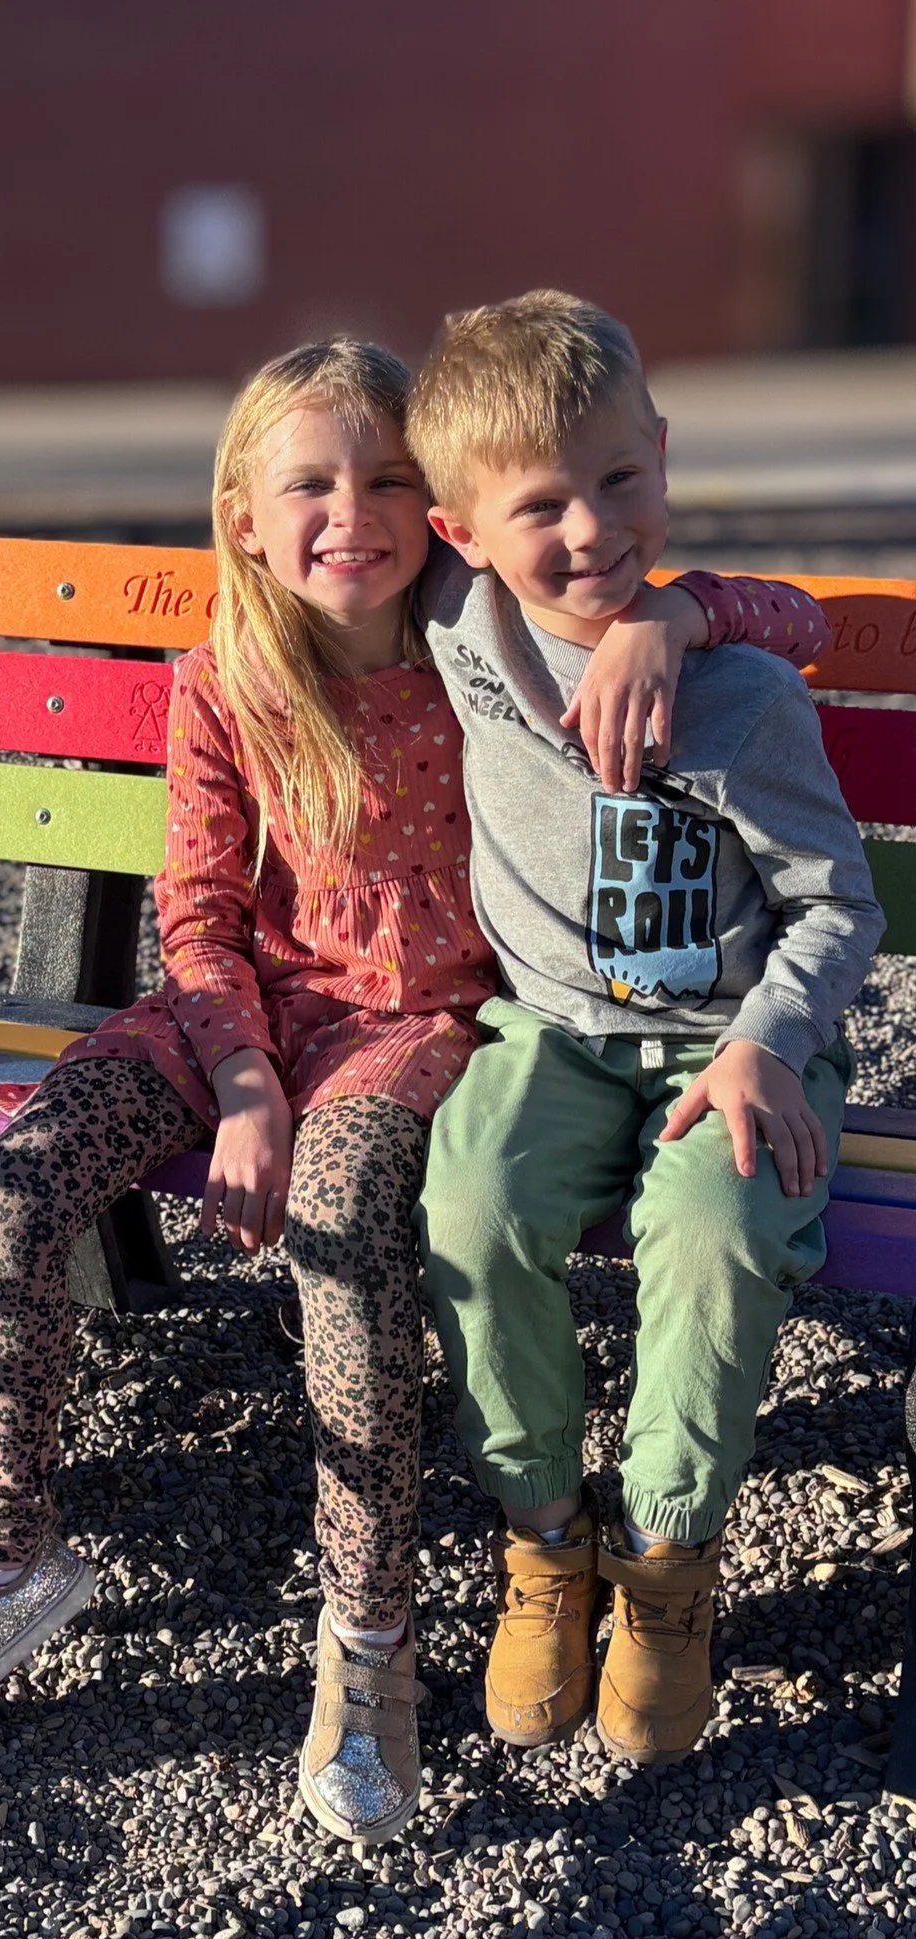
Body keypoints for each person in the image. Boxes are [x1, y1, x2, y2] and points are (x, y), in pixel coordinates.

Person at [0, 336, 822, 1841]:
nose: (349, 513)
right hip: (233, 1016)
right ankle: (5, 1557)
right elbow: (192, 913)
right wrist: (240, 1078)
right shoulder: (226, 678)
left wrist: (679, 613)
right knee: (17, 1183)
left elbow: (787, 613)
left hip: (414, 1026)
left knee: (341, 1221)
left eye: (386, 479)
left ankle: (369, 1642)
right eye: (306, 483)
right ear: (242, 515)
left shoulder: (481, 626)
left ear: (438, 512)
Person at [408, 289, 882, 1767]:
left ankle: (668, 1565)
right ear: (461, 533)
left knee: (714, 1228)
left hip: (728, 1042)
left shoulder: (737, 694)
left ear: (662, 458)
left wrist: (768, 1039)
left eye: (620, 480)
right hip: (546, 1034)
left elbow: (835, 905)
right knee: (468, 1204)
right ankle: (545, 1539)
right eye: (538, 503)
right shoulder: (455, 633)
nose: (590, 530)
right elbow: (305, 547)